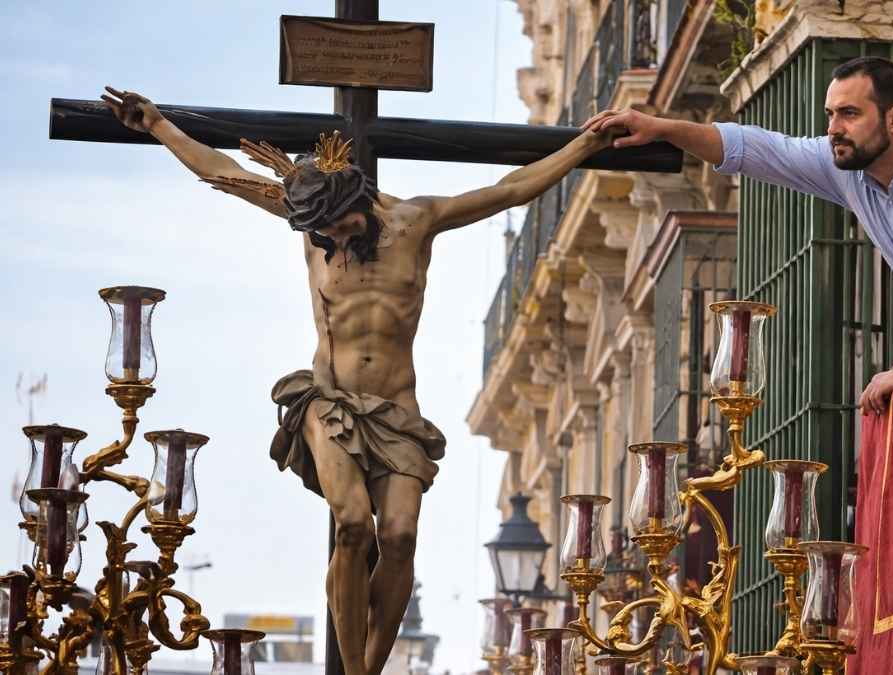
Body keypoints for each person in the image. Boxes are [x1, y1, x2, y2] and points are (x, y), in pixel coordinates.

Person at [100, 87, 615, 675]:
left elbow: (509, 189)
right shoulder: (313, 224)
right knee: (352, 526)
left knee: (398, 537)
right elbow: (223, 170)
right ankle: (353, 670)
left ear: (360, 198)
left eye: (342, 228)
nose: (335, 242)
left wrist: (585, 144)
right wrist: (160, 124)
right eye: (323, 236)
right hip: (329, 400)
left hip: (397, 407)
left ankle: (370, 666)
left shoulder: (417, 222)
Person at [582, 57, 893, 414]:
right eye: (831, 114)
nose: (834, 128)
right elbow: (757, 149)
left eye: (850, 114)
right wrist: (662, 129)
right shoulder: (848, 167)